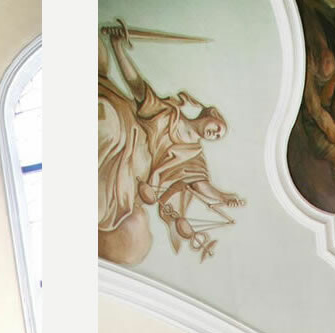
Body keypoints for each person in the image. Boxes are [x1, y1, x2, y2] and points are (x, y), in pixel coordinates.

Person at [98, 21, 244, 262]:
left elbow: (200, 186)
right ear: (213, 114)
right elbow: (136, 84)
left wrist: (223, 197)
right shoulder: (168, 112)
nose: (215, 135)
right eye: (218, 129)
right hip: (129, 132)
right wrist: (118, 47)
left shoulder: (193, 156)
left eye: (218, 137)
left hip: (136, 168)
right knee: (112, 119)